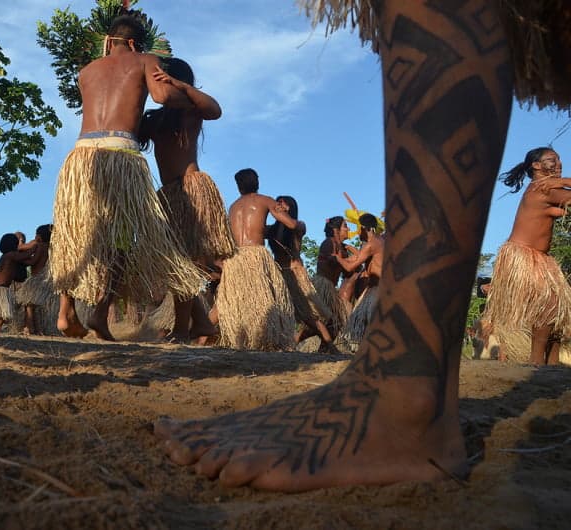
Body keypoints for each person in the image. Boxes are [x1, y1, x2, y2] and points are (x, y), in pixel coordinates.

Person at [154, 0, 542, 491]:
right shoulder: (266, 202)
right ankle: (405, 386)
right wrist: (305, 234)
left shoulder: (233, 196)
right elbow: (307, 234)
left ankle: (405, 394)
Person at [49, 14, 206, 341]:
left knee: (77, 234)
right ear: (135, 44)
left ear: (111, 40)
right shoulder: (145, 60)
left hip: (81, 155)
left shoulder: (86, 71)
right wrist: (182, 92)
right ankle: (99, 314)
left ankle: (66, 312)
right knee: (121, 240)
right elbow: (161, 98)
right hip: (120, 154)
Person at [138, 57, 235, 344]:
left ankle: (182, 331)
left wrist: (180, 86)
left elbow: (215, 110)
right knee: (174, 264)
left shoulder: (191, 112)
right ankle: (202, 323)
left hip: (192, 189)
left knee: (185, 263)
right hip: (168, 195)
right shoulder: (154, 119)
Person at [482, 147, 571, 365]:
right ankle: (536, 361)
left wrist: (559, 182)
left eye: (559, 159)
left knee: (559, 308)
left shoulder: (544, 189)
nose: (558, 163)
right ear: (536, 166)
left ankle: (552, 362)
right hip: (522, 256)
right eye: (552, 160)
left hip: (540, 258)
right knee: (548, 305)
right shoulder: (542, 189)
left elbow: (557, 208)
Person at [214, 169, 297, 350]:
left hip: (235, 258)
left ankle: (210, 336)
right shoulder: (265, 200)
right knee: (265, 302)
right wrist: (290, 215)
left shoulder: (234, 207)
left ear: (238, 186)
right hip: (255, 257)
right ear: (257, 182)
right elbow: (290, 224)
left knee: (231, 301)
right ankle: (264, 341)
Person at [266, 196, 337, 353]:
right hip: (278, 274)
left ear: (290, 207)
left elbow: (292, 225)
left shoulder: (299, 226)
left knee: (309, 314)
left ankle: (330, 346)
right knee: (275, 311)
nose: (277, 205)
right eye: (276, 202)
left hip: (295, 273)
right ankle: (281, 345)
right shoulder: (271, 230)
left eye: (281, 202)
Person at [333, 213, 385, 344]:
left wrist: (336, 257)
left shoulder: (370, 245)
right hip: (376, 289)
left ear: (363, 228)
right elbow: (359, 258)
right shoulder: (380, 241)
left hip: (378, 290)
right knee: (363, 321)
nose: (357, 232)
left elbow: (351, 267)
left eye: (358, 229)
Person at [0, 233, 32, 332]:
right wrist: (35, 245)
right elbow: (25, 255)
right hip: (2, 289)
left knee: (2, 312)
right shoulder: (11, 255)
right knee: (2, 312)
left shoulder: (5, 256)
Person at [17, 224, 57, 335]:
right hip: (46, 279)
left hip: (36, 279)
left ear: (39, 237)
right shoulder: (51, 247)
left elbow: (33, 262)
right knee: (38, 307)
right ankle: (39, 329)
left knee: (29, 304)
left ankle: (29, 328)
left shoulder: (39, 246)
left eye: (36, 235)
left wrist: (21, 259)